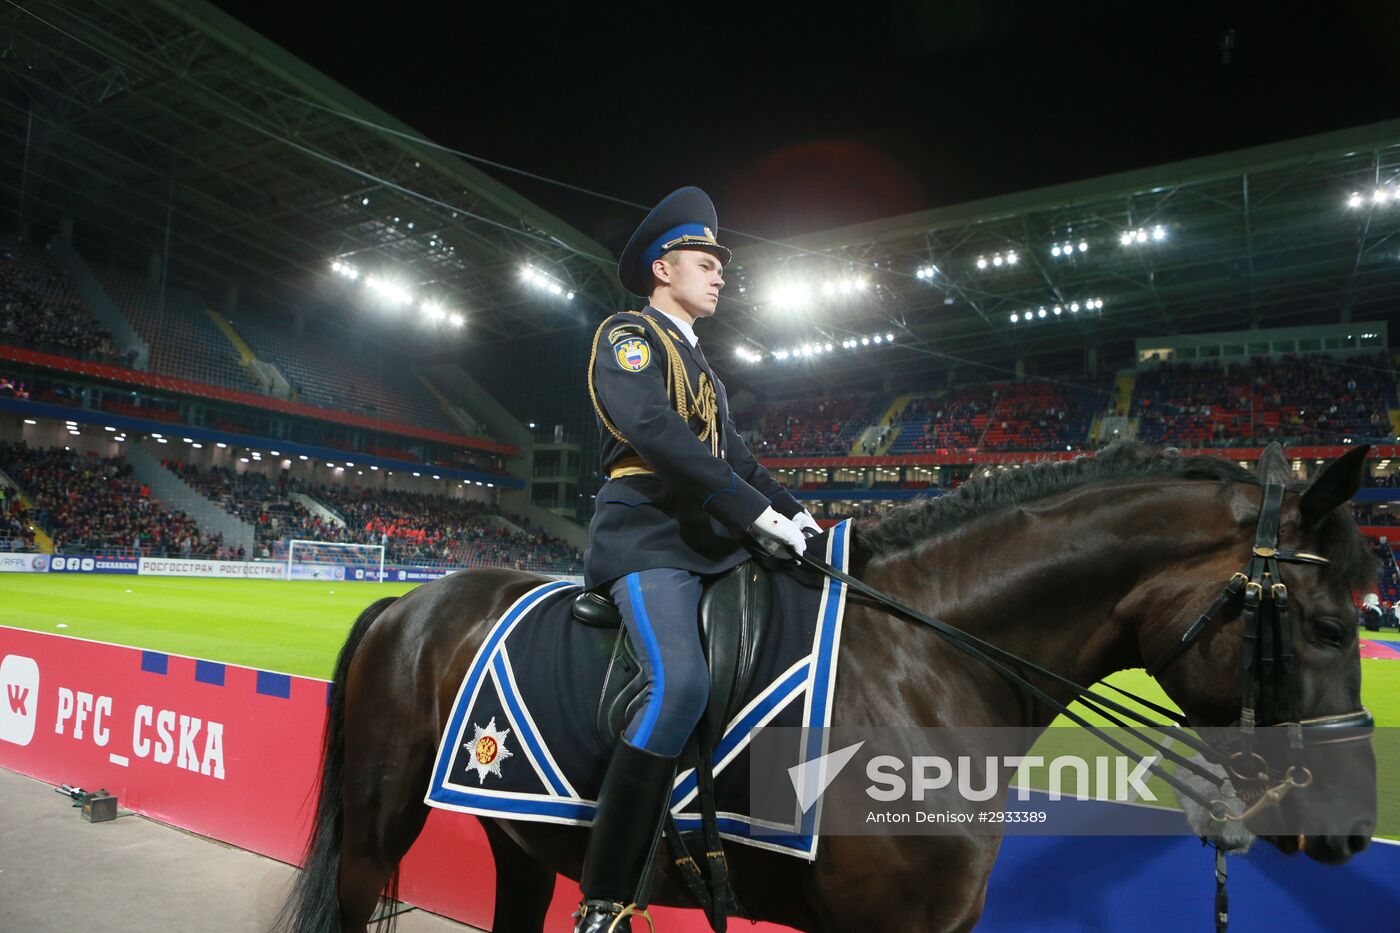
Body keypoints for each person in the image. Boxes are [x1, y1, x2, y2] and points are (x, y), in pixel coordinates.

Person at [575, 187, 817, 932]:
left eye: (720, 265)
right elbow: (653, 429)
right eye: (704, 262)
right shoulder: (629, 335)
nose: (719, 275)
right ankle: (606, 896)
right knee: (678, 683)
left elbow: (734, 454)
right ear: (662, 267)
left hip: (706, 537)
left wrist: (797, 510)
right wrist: (752, 512)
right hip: (646, 533)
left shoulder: (702, 365)